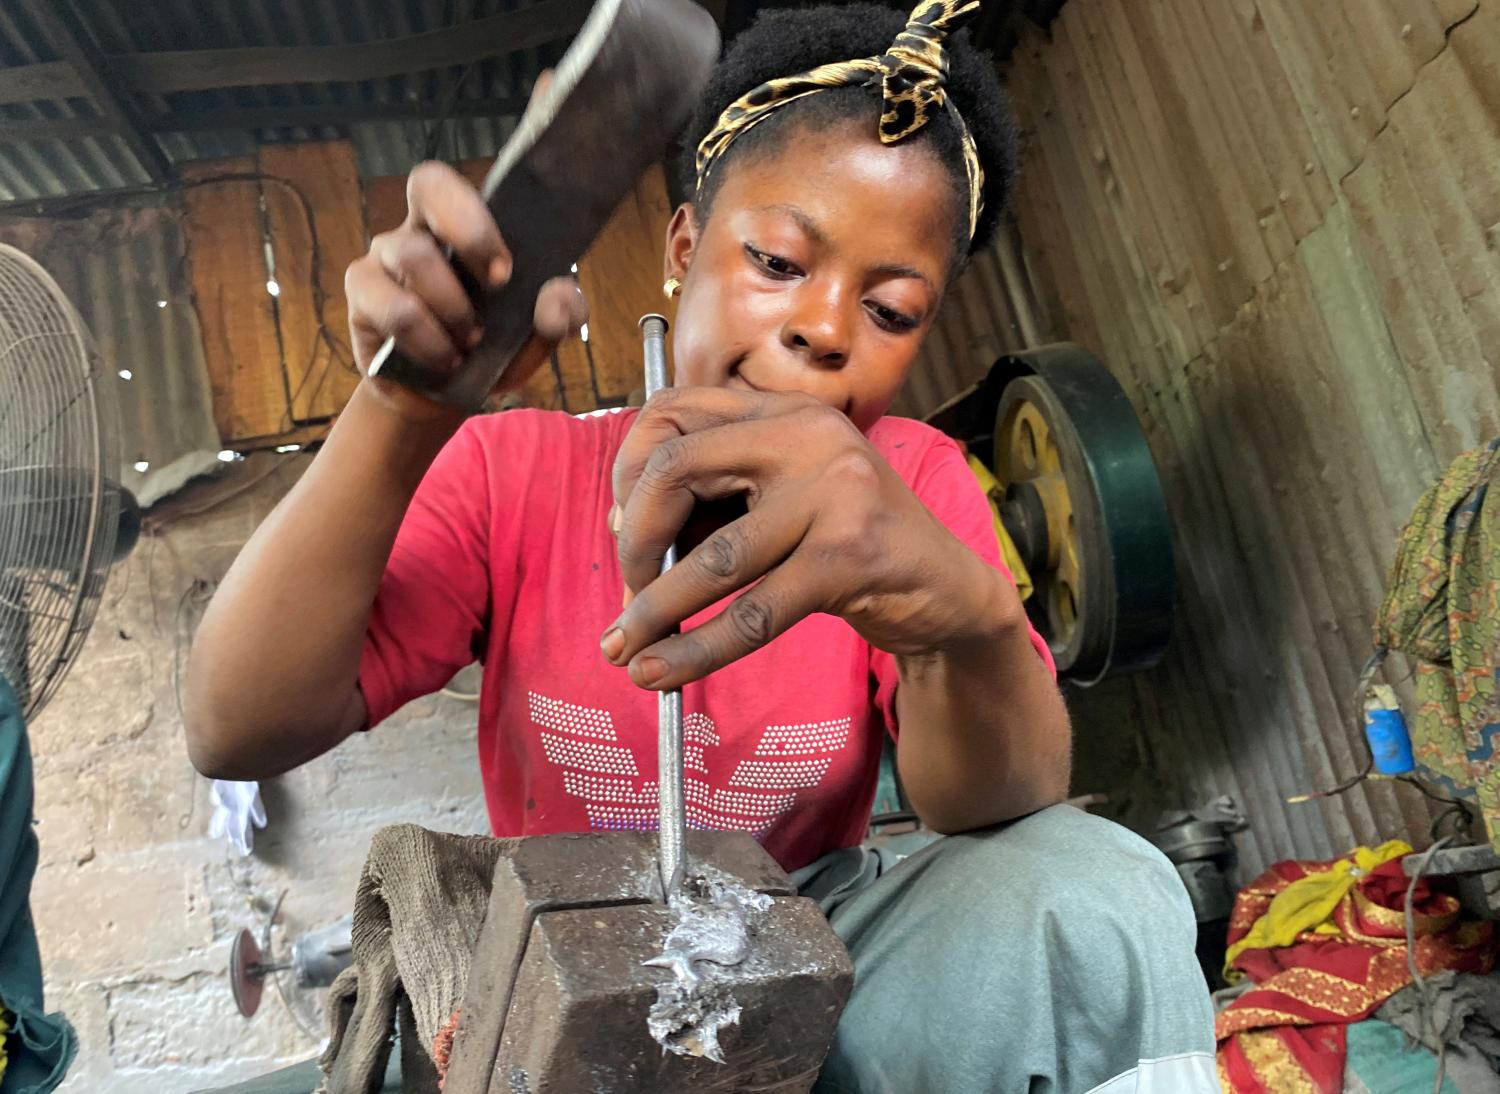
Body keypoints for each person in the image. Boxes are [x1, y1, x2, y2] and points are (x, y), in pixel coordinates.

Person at [186, 2, 1216, 1089]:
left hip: (810, 944)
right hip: (562, 952)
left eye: (892, 308)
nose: (824, 324)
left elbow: (988, 806)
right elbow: (237, 722)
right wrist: (406, 409)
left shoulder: (904, 484)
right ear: (685, 246)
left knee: (1104, 895)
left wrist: (962, 626)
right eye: (778, 259)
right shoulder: (512, 471)